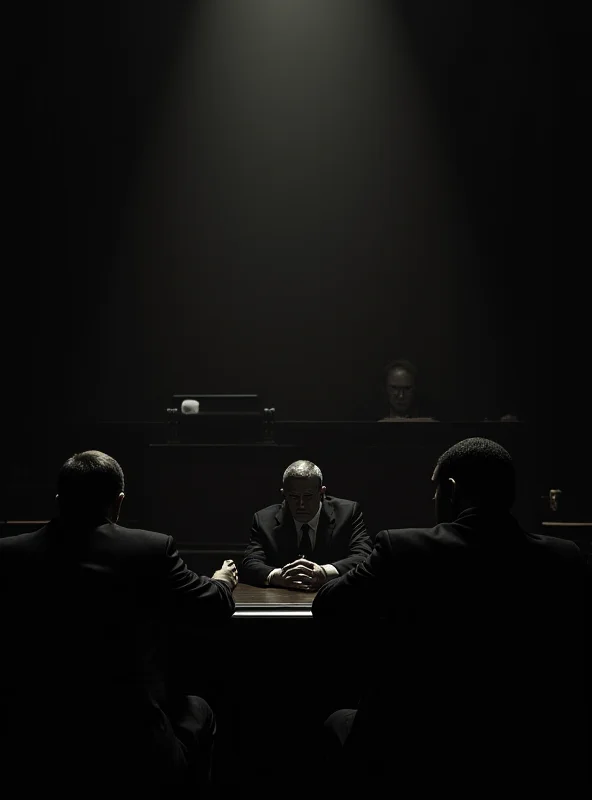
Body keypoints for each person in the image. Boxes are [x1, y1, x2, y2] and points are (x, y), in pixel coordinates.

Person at [312, 438, 589, 796]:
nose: (433, 501)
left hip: (413, 751)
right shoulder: (565, 558)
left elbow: (329, 606)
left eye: (436, 490)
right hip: (532, 754)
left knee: (337, 722)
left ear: (452, 490)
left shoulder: (403, 548)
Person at [0, 450, 238, 798]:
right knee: (198, 711)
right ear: (119, 501)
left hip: (34, 745)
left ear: (58, 499)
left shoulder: (8, 554)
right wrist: (221, 580)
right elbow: (212, 606)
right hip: (133, 746)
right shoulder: (150, 548)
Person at [241, 459, 372, 590]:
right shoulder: (264, 519)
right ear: (283, 494)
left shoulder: (348, 513)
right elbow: (250, 562)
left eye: (308, 496)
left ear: (322, 492)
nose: (301, 504)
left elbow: (364, 556)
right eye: (294, 497)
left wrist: (325, 572)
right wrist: (277, 576)